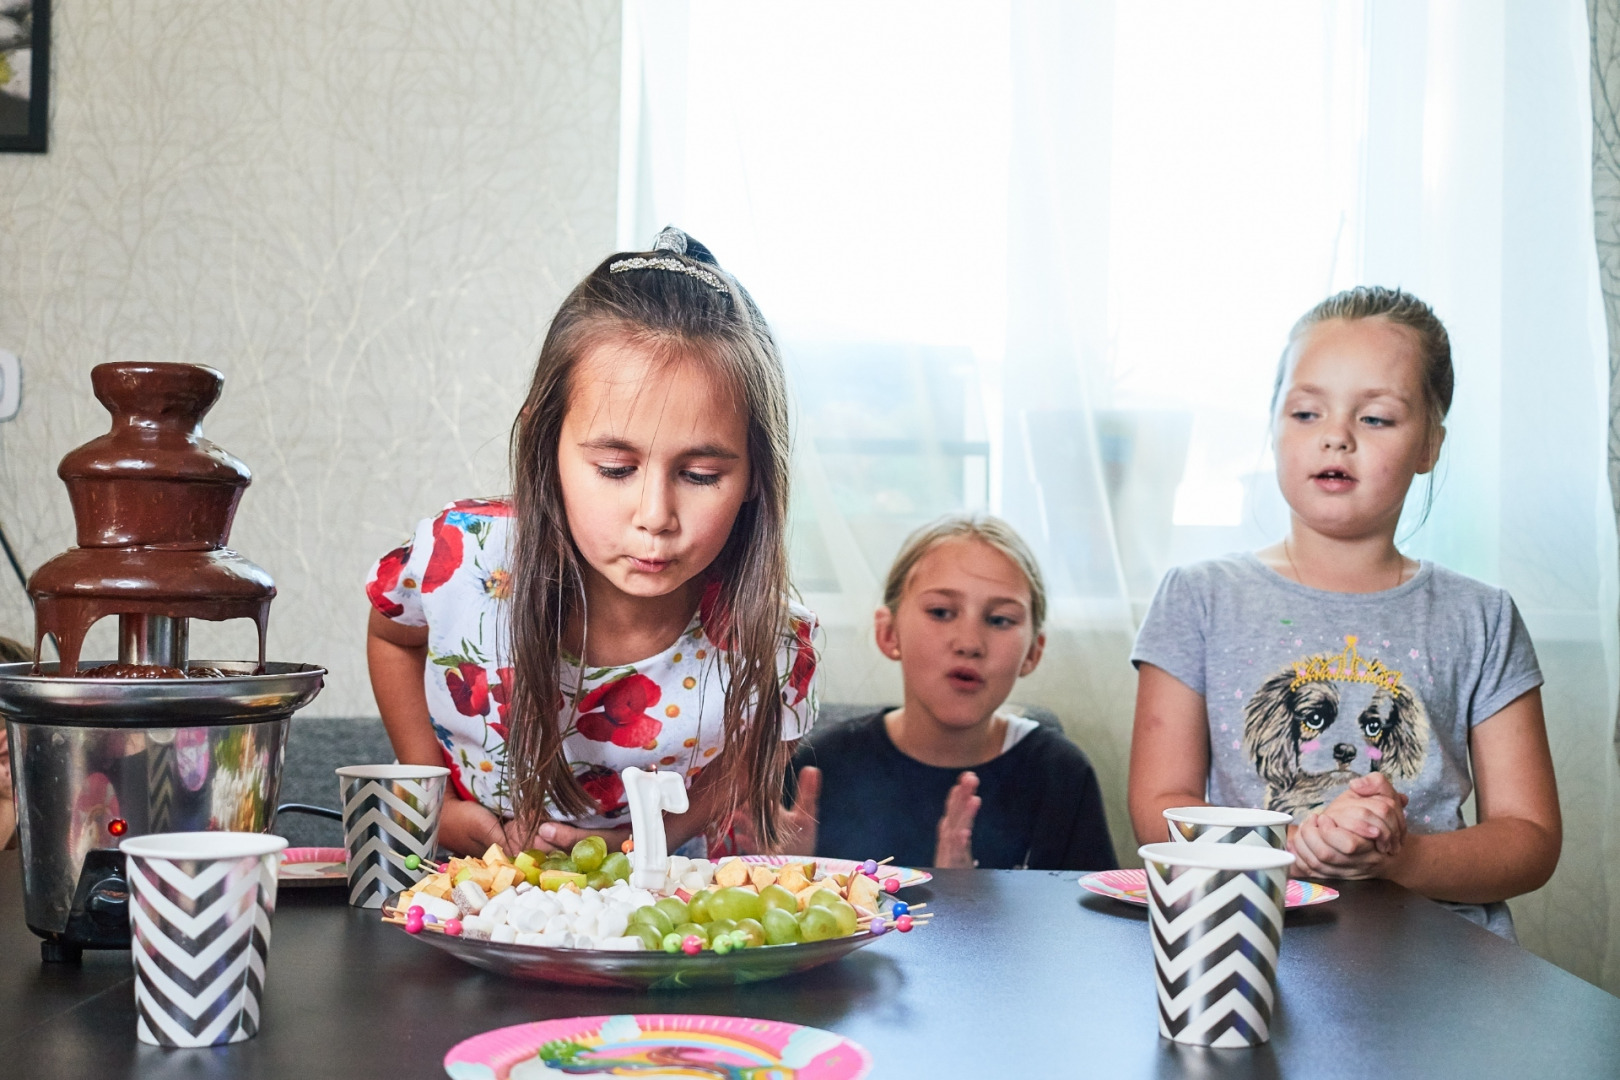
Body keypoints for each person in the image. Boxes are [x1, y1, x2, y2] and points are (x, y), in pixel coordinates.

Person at [365, 228, 819, 859]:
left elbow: (745, 762)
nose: (655, 516)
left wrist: (643, 840)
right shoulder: (463, 558)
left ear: (754, 477)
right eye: (615, 469)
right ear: (546, 446)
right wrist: (432, 799)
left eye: (701, 476)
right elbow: (392, 630)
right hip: (463, 893)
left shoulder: (775, 643)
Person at [1128, 286, 1559, 939]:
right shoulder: (1197, 598)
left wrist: (1401, 857)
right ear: (1272, 426)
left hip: (1445, 965)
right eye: (1305, 413)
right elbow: (1157, 805)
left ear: (1429, 446)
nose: (1335, 437)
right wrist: (1290, 850)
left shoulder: (1483, 617)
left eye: (1376, 418)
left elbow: (1529, 839)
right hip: (1254, 942)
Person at [782, 514, 1116, 871]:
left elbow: (1095, 921)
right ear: (889, 633)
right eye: (941, 612)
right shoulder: (817, 770)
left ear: (1033, 651)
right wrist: (776, 875)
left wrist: (971, 906)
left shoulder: (1060, 775)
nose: (970, 643)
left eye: (1000, 620)